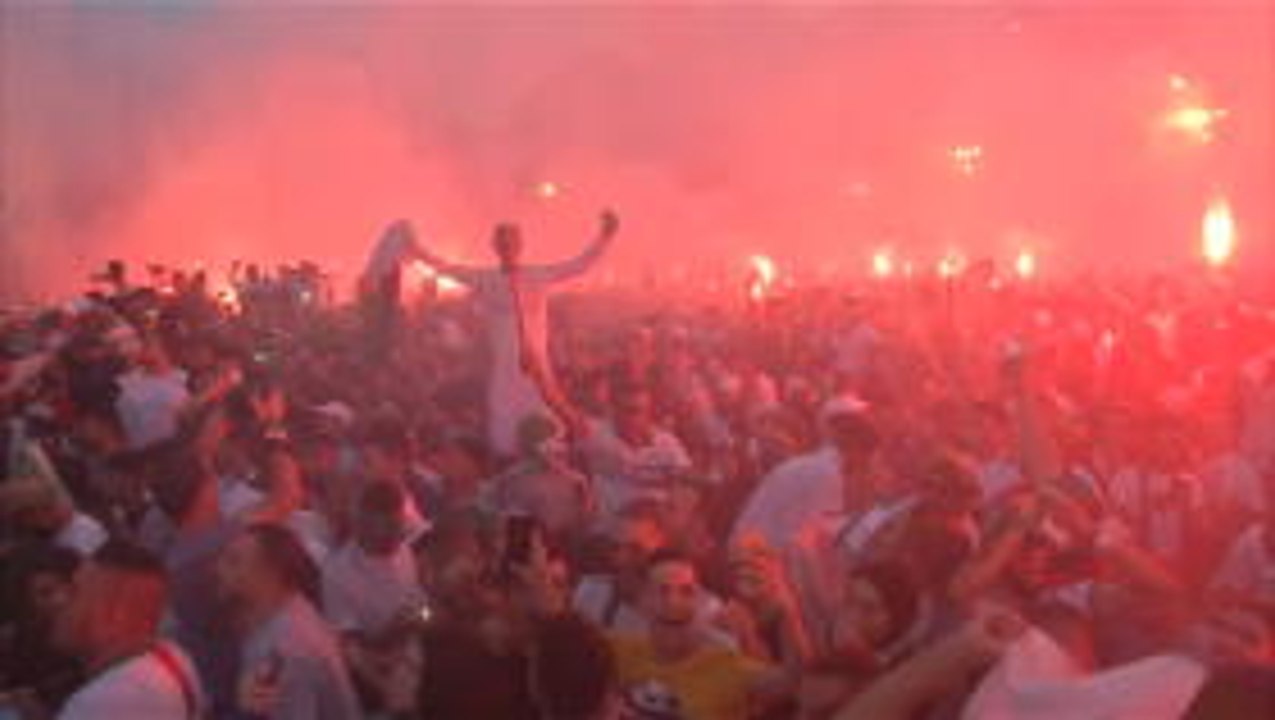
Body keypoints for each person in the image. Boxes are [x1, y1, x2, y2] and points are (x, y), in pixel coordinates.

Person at [404, 211, 619, 457]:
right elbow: (445, 267)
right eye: (502, 242)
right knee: (504, 439)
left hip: (537, 373)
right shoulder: (484, 278)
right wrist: (417, 249)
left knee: (548, 436)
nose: (507, 247)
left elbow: (579, 264)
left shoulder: (539, 275)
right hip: (504, 374)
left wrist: (604, 237)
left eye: (511, 241)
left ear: (520, 245)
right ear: (494, 246)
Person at [609, 549, 791, 720]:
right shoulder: (619, 651)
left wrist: (787, 609)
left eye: (686, 591)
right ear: (643, 600)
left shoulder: (726, 666)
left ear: (700, 602)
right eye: (662, 590)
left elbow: (793, 682)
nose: (673, 602)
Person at [216, 523, 360, 720]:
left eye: (234, 561)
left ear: (269, 575)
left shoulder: (286, 652)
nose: (217, 568)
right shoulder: (292, 604)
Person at [52, 541, 204, 720]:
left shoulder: (101, 703)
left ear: (116, 614)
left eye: (74, 592)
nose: (58, 600)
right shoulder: (171, 654)